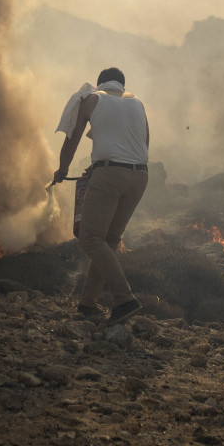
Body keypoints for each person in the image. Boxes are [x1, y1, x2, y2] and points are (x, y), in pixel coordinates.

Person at [54, 67, 150, 323]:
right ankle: (87, 303)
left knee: (89, 238)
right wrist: (101, 164)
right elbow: (143, 144)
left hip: (110, 176)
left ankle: (125, 299)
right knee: (108, 240)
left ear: (100, 85)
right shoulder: (138, 103)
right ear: (121, 86)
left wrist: (62, 170)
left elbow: (72, 141)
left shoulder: (92, 99)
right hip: (140, 176)